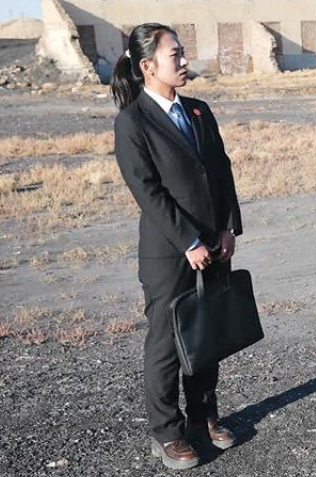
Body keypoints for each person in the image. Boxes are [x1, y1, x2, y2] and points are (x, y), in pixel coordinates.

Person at [111, 23, 243, 470]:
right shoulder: (133, 122)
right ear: (148, 66)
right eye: (175, 55)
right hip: (169, 253)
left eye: (184, 52)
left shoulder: (199, 111)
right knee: (167, 344)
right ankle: (166, 432)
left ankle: (204, 417)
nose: (185, 62)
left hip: (213, 245)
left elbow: (221, 172)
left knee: (206, 336)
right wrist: (188, 240)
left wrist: (227, 228)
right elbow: (147, 191)